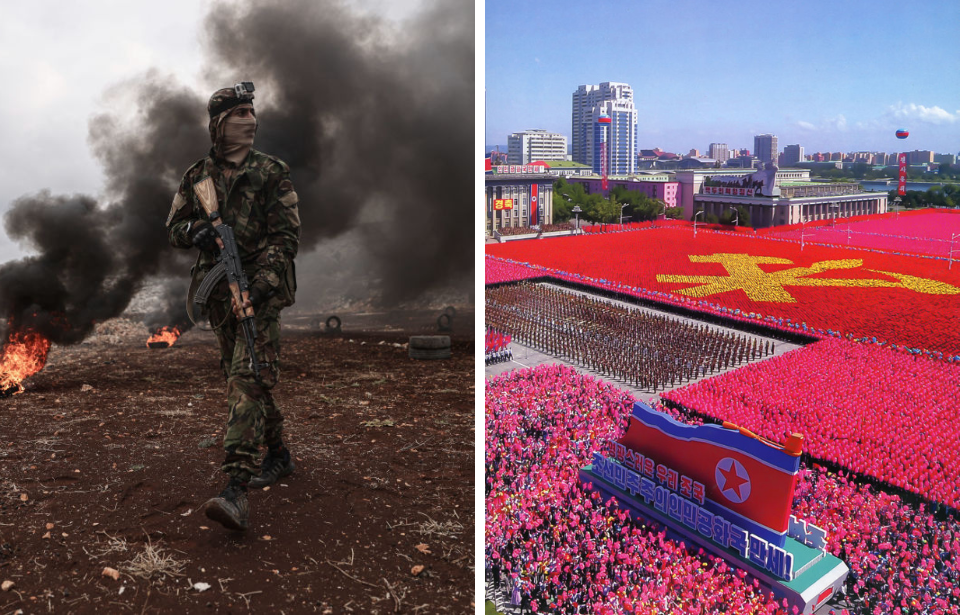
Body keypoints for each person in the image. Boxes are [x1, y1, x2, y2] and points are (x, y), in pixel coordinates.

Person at [165, 83, 301, 530]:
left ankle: (235, 489)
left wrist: (259, 287)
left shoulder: (271, 172)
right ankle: (278, 454)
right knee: (248, 379)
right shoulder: (197, 176)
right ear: (219, 123)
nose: (249, 119)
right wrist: (195, 234)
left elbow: (286, 240)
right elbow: (175, 226)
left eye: (251, 111)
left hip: (258, 295)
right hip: (219, 295)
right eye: (239, 112)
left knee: (245, 382)